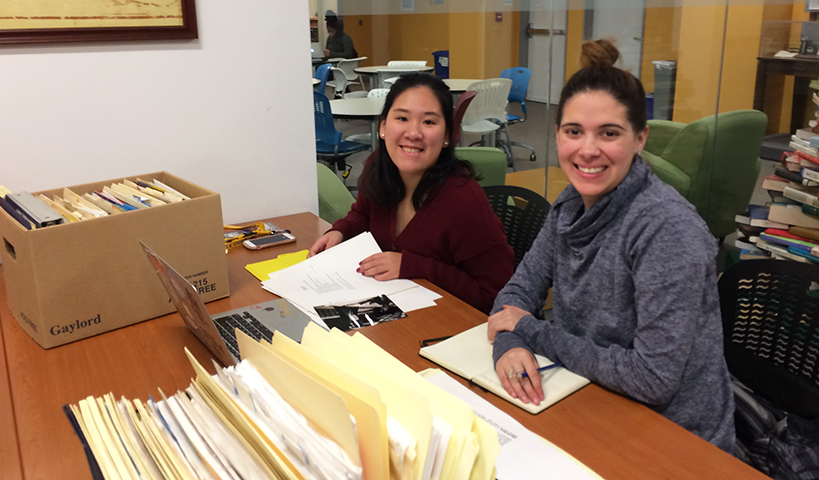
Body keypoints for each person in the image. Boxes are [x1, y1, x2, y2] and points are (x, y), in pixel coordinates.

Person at [487, 41, 736, 452]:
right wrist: (510, 344)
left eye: (609, 133)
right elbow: (517, 294)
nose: (587, 149)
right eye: (573, 132)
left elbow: (651, 378)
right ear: (557, 135)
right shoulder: (569, 204)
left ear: (640, 139)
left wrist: (529, 330)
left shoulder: (667, 230)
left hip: (675, 439)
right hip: (589, 400)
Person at [309, 73, 514, 313]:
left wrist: (415, 266)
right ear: (383, 127)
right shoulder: (380, 167)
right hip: (394, 316)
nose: (414, 133)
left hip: (446, 331)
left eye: (429, 122)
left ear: (447, 136)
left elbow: (497, 297)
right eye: (402, 118)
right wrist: (341, 231)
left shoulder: (463, 201)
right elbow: (364, 214)